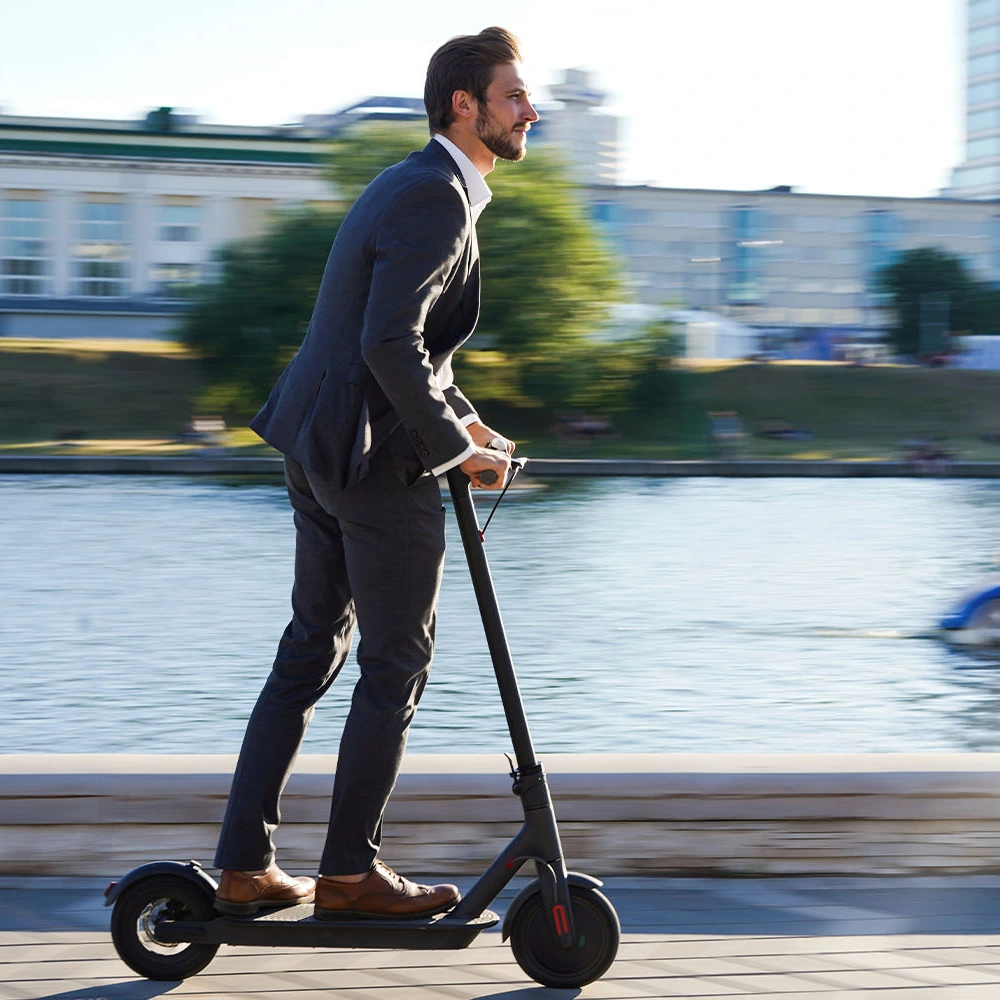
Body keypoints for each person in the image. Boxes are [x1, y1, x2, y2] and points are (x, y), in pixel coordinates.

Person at [212, 27, 539, 921]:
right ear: (463, 105)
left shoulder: (418, 184)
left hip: (317, 444)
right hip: (369, 460)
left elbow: (410, 344)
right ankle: (350, 875)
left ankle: (245, 868)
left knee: (309, 649)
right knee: (397, 661)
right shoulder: (435, 197)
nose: (530, 111)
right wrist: (450, 452)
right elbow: (386, 342)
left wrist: (466, 423)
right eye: (514, 96)